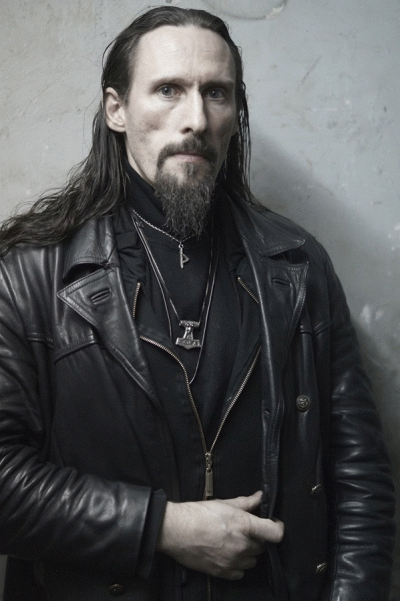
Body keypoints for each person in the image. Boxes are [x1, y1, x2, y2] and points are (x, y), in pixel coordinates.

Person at [0, 6, 395, 601]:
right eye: (168, 90)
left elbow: (359, 476)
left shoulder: (297, 266)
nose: (196, 119)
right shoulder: (30, 273)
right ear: (116, 109)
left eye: (217, 93)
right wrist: (161, 528)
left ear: (236, 113)